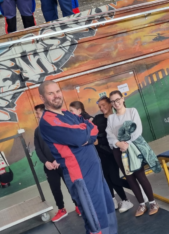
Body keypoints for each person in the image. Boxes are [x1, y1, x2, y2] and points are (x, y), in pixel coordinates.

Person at [37, 80, 117, 234]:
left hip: (96, 172)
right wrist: (85, 133)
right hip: (81, 176)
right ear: (42, 97)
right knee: (96, 222)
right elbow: (78, 137)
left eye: (57, 91)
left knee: (107, 213)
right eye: (50, 93)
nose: (56, 96)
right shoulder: (47, 121)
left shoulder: (67, 114)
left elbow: (93, 128)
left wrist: (85, 133)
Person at [105, 91, 159, 217]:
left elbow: (137, 130)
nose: (116, 103)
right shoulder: (111, 118)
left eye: (117, 99)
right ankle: (141, 204)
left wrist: (126, 143)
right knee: (129, 178)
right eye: (112, 101)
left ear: (123, 99)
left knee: (140, 176)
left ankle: (152, 203)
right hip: (119, 152)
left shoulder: (132, 111)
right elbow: (110, 135)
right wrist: (119, 144)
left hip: (133, 148)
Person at [33, 104, 81, 223]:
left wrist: (58, 159)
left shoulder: (54, 126)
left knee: (71, 186)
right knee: (55, 189)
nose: (36, 115)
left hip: (62, 163)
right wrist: (46, 162)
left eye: (38, 113)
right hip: (49, 167)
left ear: (44, 113)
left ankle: (78, 206)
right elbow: (38, 149)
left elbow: (63, 143)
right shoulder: (37, 131)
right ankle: (61, 209)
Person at [91, 97, 135, 213]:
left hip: (111, 152)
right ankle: (116, 200)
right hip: (100, 154)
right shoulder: (97, 118)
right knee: (107, 179)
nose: (102, 108)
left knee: (115, 178)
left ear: (110, 104)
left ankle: (135, 188)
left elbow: (113, 137)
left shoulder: (114, 119)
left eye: (104, 105)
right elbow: (92, 133)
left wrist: (99, 141)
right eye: (100, 106)